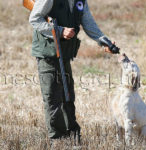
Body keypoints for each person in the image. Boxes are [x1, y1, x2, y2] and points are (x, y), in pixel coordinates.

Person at [29, 0, 118, 141]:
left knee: (68, 96)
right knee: (53, 98)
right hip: (47, 54)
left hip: (64, 53)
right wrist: (59, 31)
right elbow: (34, 18)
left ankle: (73, 136)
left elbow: (88, 23)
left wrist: (104, 42)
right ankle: (57, 140)